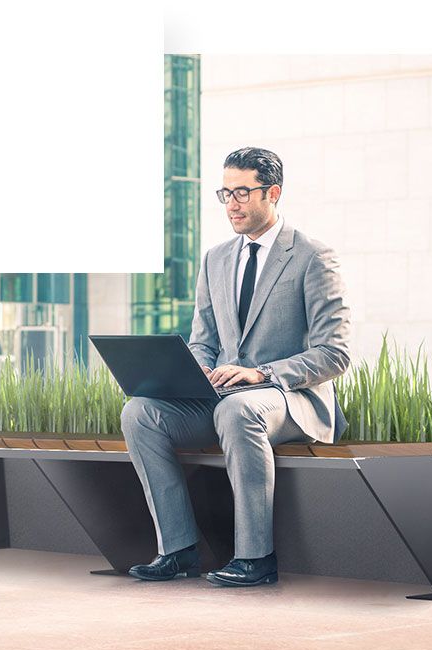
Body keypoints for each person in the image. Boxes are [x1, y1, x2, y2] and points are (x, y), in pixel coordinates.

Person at [120, 146, 351, 587]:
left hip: (289, 400)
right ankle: (178, 549)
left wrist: (261, 374)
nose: (232, 204)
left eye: (243, 193)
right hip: (225, 396)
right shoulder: (216, 258)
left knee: (238, 410)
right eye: (225, 193)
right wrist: (182, 376)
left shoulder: (313, 257)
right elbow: (204, 342)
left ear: (273, 193)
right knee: (140, 412)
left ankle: (255, 557)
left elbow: (334, 352)